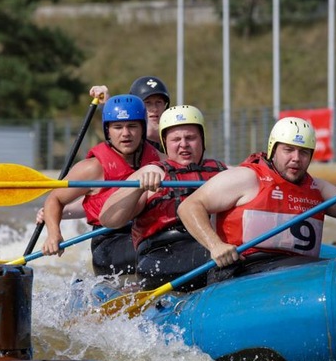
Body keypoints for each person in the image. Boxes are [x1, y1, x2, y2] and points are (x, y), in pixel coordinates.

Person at [178, 117, 336, 283]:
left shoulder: (316, 187)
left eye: (303, 153)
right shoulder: (246, 178)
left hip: (297, 272)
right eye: (288, 150)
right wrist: (215, 245)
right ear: (273, 150)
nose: (296, 159)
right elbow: (189, 206)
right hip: (246, 273)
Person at [98, 105, 227, 290]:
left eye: (190, 138)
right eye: (176, 139)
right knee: (222, 257)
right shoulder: (152, 172)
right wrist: (137, 190)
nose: (184, 144)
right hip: (160, 256)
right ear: (165, 144)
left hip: (207, 246)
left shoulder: (220, 171)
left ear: (202, 141)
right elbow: (109, 219)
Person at [41, 94, 162, 276]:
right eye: (118, 127)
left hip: (146, 232)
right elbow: (54, 199)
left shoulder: (156, 158)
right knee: (157, 247)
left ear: (143, 129)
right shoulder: (92, 168)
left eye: (132, 126)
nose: (125, 133)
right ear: (108, 131)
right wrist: (53, 234)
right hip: (109, 243)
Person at [129, 75, 172, 151]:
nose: (154, 109)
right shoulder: (126, 138)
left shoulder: (176, 138)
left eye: (159, 102)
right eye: (147, 103)